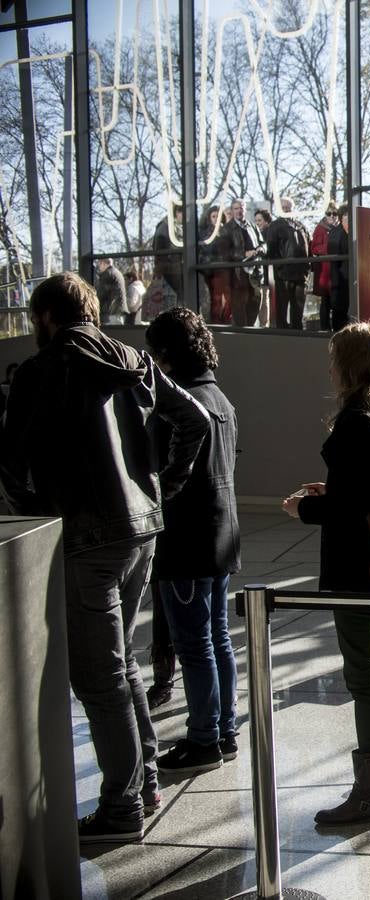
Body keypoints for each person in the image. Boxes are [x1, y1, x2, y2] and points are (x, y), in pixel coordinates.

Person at [0, 272, 208, 844]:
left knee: (99, 678)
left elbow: (9, 467)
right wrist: (162, 483)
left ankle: (121, 808)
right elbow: (195, 421)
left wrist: (39, 512)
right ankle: (142, 786)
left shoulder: (38, 373)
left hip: (87, 537)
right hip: (142, 531)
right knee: (120, 667)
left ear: (46, 318)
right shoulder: (135, 361)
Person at [283, 322, 370, 825]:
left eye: (334, 359)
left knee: (365, 672)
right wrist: (332, 488)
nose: (330, 368)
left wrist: (304, 509)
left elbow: (348, 507)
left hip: (357, 568)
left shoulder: (354, 421)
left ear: (350, 365)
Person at [143, 309, 241, 776]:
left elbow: (167, 475)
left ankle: (204, 738)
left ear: (165, 354)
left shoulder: (179, 404)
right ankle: (224, 730)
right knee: (217, 636)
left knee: (195, 643)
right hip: (222, 536)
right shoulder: (220, 397)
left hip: (186, 541)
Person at [265, 197, 310, 330]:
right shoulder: (275, 225)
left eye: (288, 207)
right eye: (283, 207)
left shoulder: (301, 226)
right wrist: (280, 267)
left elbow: (308, 246)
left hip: (301, 273)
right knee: (282, 307)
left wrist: (308, 266)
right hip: (283, 273)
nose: (286, 209)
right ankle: (282, 332)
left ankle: (297, 332)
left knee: (298, 306)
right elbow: (271, 249)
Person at [222, 199, 265, 327]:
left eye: (241, 208)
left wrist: (261, 249)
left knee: (255, 304)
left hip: (255, 272)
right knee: (239, 309)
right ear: (232, 211)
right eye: (236, 208)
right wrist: (243, 255)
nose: (239, 211)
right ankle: (241, 336)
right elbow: (224, 253)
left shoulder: (252, 225)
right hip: (238, 274)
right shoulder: (227, 229)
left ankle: (251, 334)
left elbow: (263, 243)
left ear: (245, 209)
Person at [199, 205, 231, 324]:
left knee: (230, 298)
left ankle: (226, 319)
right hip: (214, 270)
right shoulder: (205, 233)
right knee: (216, 297)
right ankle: (216, 322)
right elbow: (204, 251)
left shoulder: (227, 230)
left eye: (218, 216)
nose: (216, 219)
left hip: (228, 269)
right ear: (209, 218)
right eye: (213, 216)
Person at [310, 204, 339, 330]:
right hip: (325, 271)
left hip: (338, 269)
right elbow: (314, 248)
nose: (332, 216)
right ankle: (324, 328)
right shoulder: (320, 228)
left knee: (338, 301)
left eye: (334, 213)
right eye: (329, 214)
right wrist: (328, 249)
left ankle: (338, 327)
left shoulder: (341, 227)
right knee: (326, 301)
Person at [151, 203, 186, 305]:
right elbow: (159, 253)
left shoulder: (180, 227)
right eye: (180, 212)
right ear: (176, 213)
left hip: (177, 269)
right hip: (171, 271)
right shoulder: (165, 228)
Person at [327, 205, 352, 331]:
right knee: (341, 310)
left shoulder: (334, 232)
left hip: (341, 275)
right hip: (343, 275)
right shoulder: (339, 233)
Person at [253, 210, 274, 328]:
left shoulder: (268, 234)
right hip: (259, 271)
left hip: (266, 272)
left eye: (259, 220)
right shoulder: (256, 234)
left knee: (264, 298)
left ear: (266, 221)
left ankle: (263, 324)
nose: (257, 223)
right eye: (256, 221)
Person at [96, 258, 128, 326]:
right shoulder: (116, 272)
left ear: (103, 263)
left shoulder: (107, 274)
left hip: (111, 310)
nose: (98, 267)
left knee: (112, 333)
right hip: (118, 309)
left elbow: (101, 293)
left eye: (99, 264)